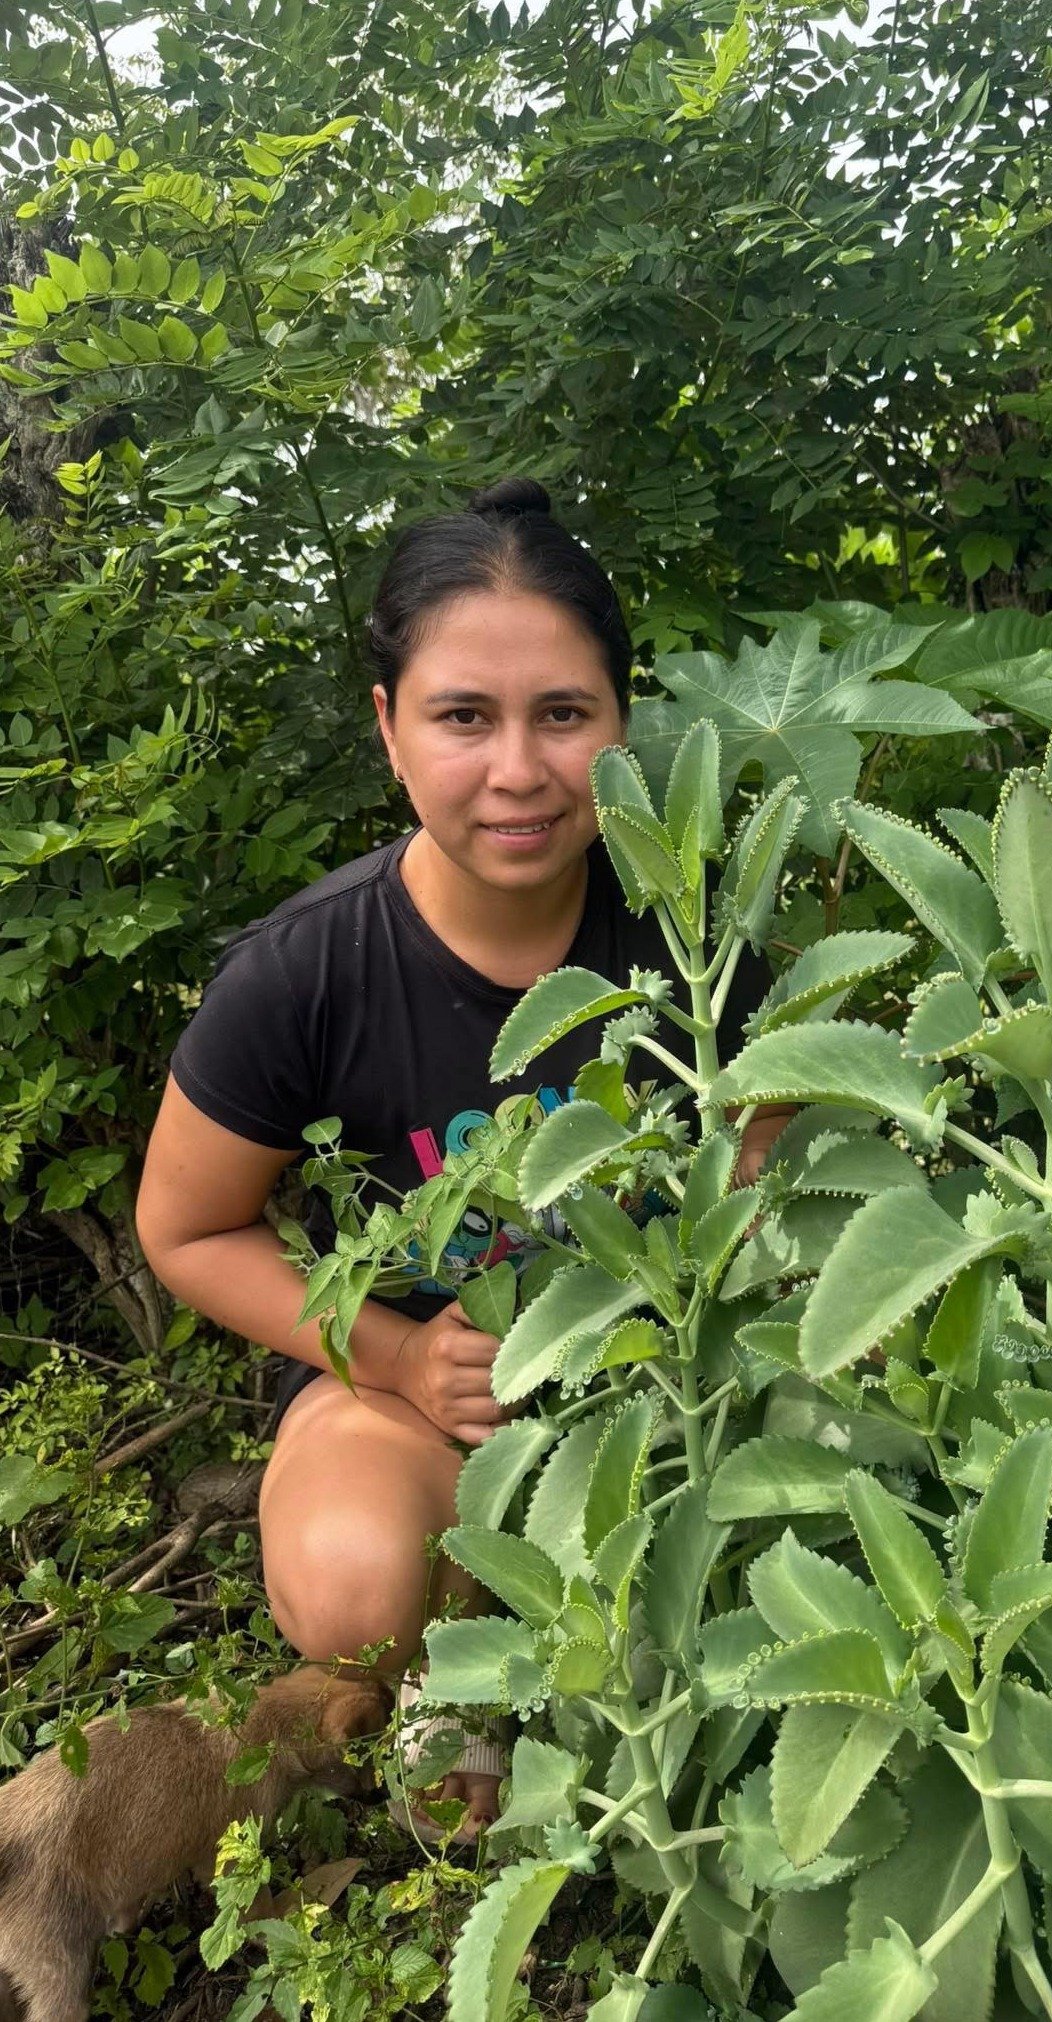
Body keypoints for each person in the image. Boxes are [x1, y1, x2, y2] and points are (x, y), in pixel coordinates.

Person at [135, 478, 786, 1837]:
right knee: (357, 1586)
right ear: (387, 727)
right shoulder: (307, 971)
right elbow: (187, 1229)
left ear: (621, 719)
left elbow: (760, 1202)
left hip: (661, 1408)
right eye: (461, 716)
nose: (517, 769)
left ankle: (568, 1665)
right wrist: (394, 1355)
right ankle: (459, 1658)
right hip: (427, 1407)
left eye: (563, 712)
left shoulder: (693, 935)